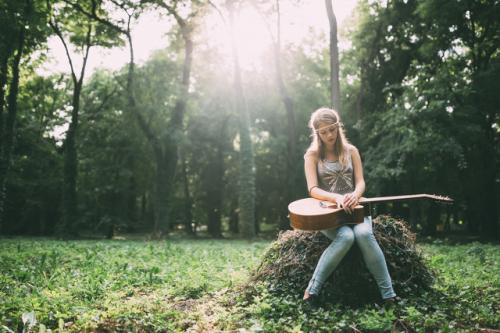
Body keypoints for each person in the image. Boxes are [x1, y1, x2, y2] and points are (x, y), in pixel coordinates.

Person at [302, 107, 396, 306]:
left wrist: (354, 195)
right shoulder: (311, 155)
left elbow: (360, 182)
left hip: (356, 208)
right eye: (324, 131)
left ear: (338, 127)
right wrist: (336, 198)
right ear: (317, 132)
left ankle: (389, 295)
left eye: (332, 129)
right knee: (346, 236)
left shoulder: (351, 151)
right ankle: (312, 291)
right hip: (329, 214)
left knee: (363, 234)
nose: (329, 135)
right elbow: (312, 189)